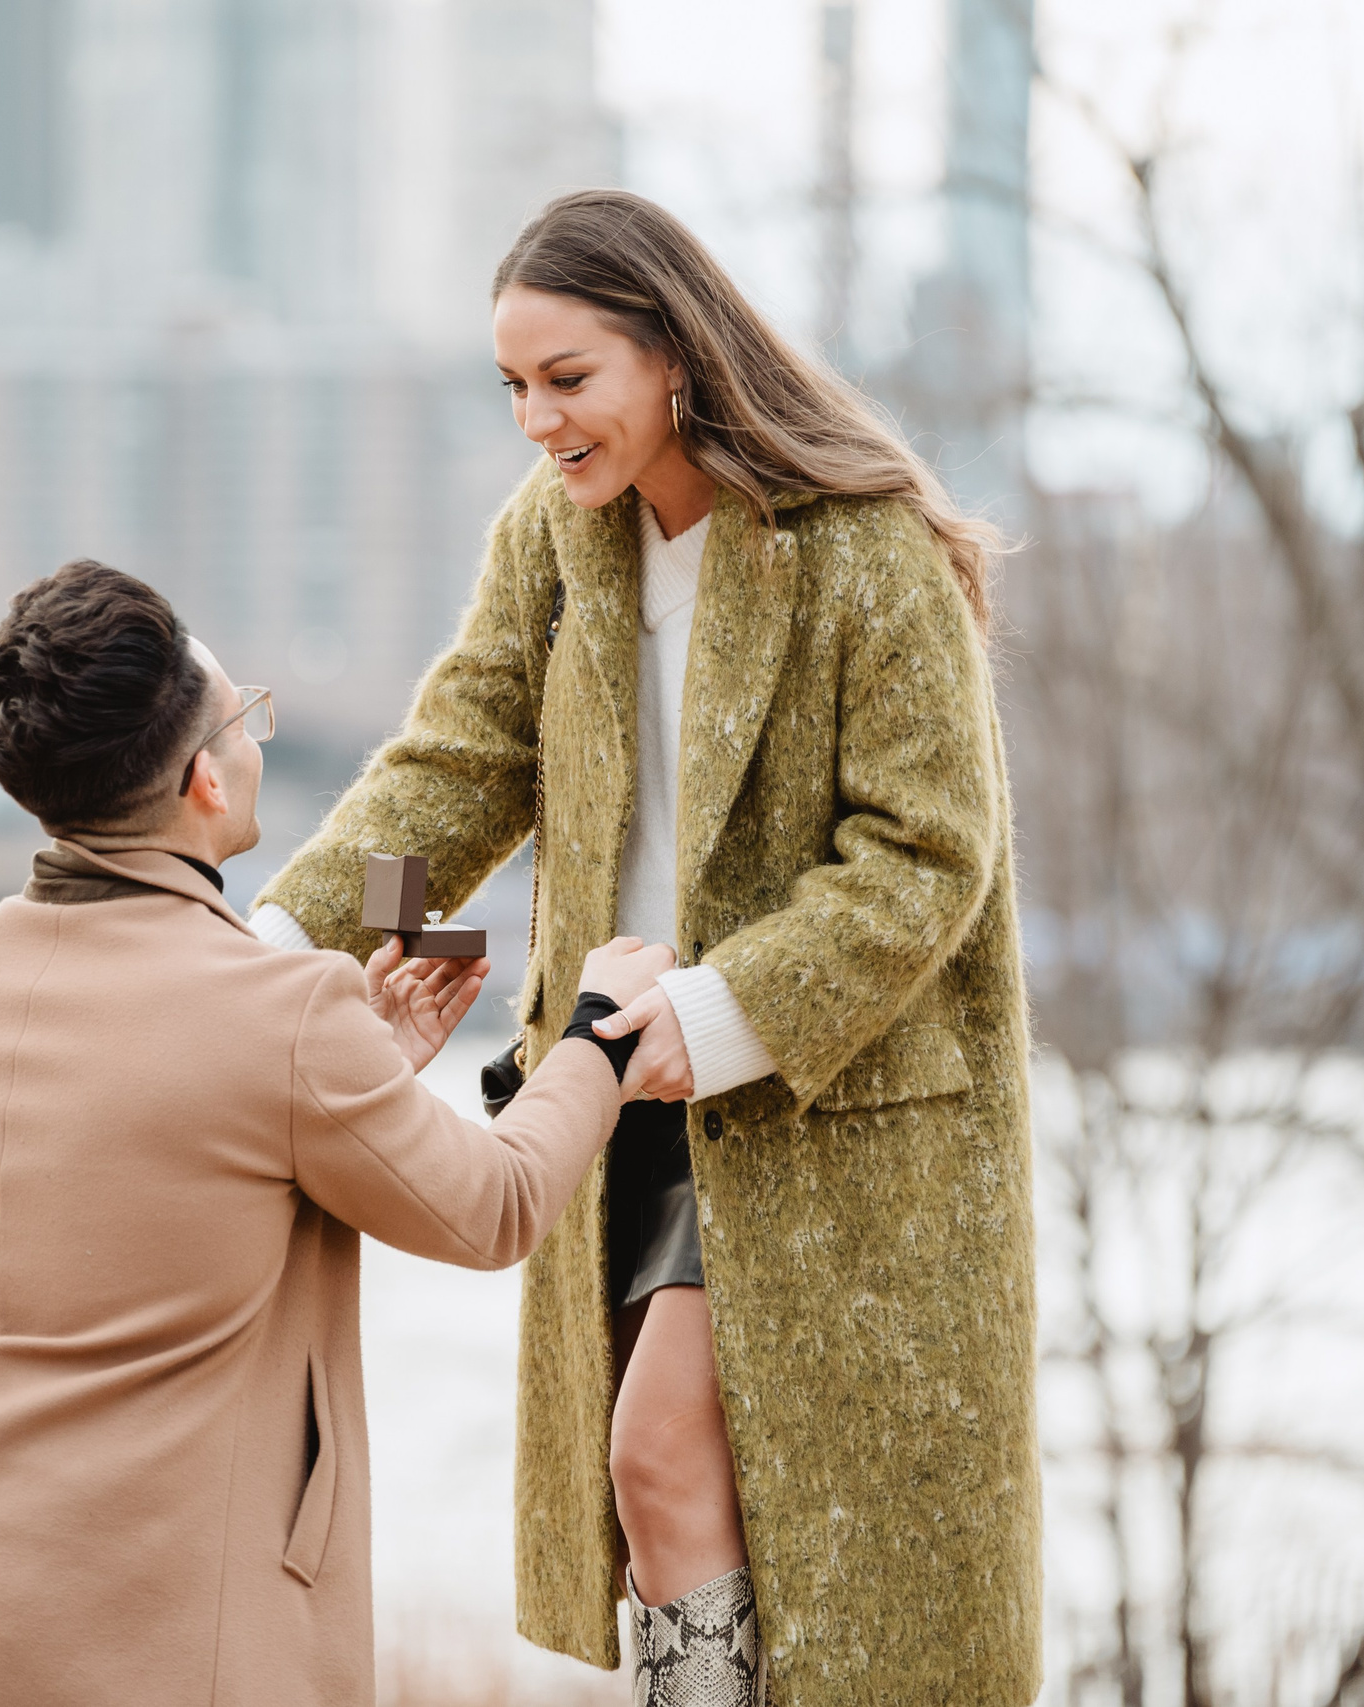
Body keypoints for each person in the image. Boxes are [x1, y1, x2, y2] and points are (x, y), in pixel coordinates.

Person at [249, 190, 1040, 1706]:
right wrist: (275, 947)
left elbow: (930, 854)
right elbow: (455, 766)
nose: (537, 421)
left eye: (568, 378)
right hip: (622, 1097)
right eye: (513, 387)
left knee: (668, 1455)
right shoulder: (556, 542)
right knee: (660, 1508)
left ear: (676, 355)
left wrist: (724, 1009)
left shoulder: (864, 550)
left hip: (831, 1117)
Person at [0, 559, 674, 1707]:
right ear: (205, 778)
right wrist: (596, 1039)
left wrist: (368, 1082)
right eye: (244, 718)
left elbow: (144, 1187)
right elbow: (495, 1206)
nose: (252, 739)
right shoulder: (283, 1017)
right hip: (142, 1633)